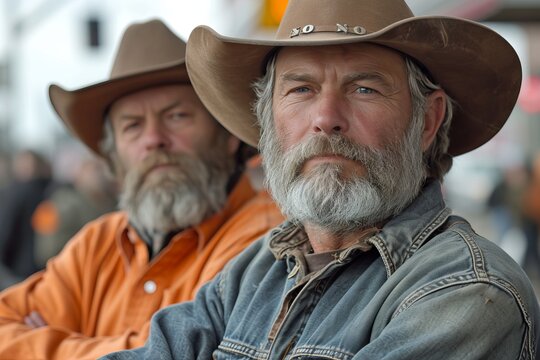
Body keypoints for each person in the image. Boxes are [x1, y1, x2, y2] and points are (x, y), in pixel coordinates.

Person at [103, 1, 540, 359]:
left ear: (428, 120)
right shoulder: (257, 271)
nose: (326, 119)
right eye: (301, 90)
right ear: (268, 123)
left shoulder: (467, 292)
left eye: (364, 88)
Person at [0, 19, 283, 359]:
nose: (154, 140)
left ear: (228, 136)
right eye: (133, 126)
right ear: (113, 156)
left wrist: (44, 344)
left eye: (177, 116)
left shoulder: (266, 239)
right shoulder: (96, 244)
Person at [0, 149, 53, 290]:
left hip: (18, 270)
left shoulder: (15, 193)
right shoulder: (52, 191)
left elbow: (6, 230)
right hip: (45, 270)